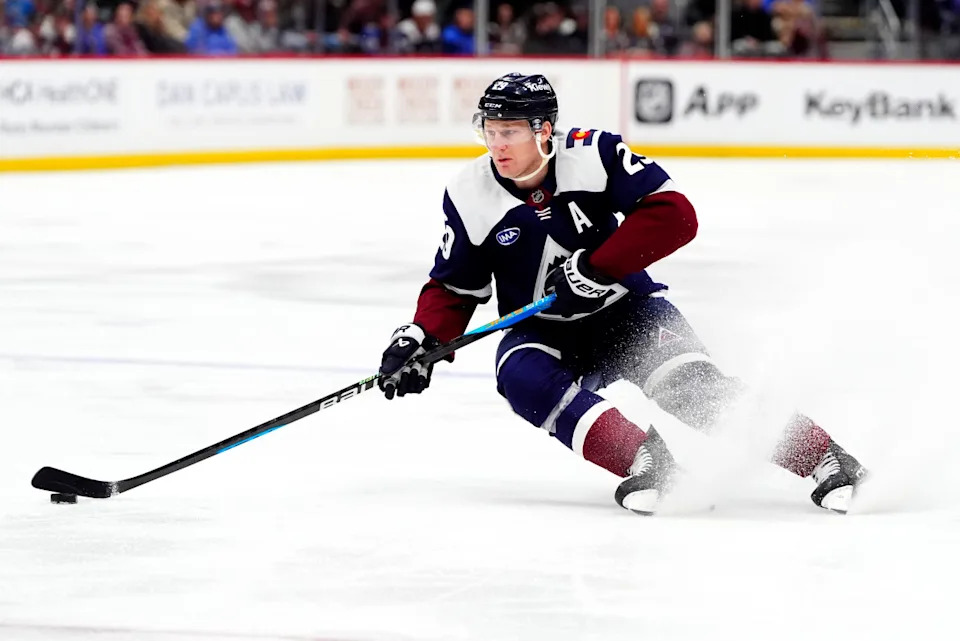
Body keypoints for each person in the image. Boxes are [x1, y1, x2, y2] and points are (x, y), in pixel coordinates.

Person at [377, 73, 868, 515]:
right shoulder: (469, 192)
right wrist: (422, 337)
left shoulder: (594, 153)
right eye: (489, 129)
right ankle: (649, 463)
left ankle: (824, 456)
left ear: (544, 130)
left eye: (510, 131)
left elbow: (674, 213)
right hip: (541, 327)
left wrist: (595, 266)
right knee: (520, 375)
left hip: (626, 310)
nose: (496, 143)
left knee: (693, 391)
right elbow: (454, 286)